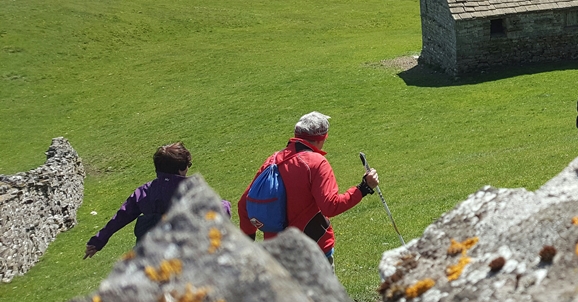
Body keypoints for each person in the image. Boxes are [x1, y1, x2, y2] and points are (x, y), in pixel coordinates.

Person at [237, 112, 379, 264]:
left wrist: (248, 242)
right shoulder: (316, 163)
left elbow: (243, 204)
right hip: (313, 249)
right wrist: (363, 188)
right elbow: (331, 206)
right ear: (324, 137)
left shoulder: (273, 160)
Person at [85, 143, 230, 259]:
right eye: (188, 165)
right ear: (181, 168)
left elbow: (121, 216)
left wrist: (98, 241)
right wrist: (226, 205)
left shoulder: (145, 191)